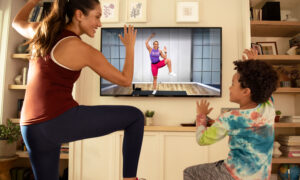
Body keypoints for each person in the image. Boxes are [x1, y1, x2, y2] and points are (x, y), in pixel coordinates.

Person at [12, 0, 144, 180]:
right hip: (56, 121)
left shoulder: (42, 31)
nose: (99, 23)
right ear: (79, 15)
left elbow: (16, 22)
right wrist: (130, 47)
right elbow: (125, 80)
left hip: (29, 127)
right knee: (135, 117)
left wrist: (33, 2)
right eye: (97, 17)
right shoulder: (81, 49)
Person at [184, 49, 278, 180]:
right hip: (262, 176)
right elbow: (263, 83)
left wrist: (201, 115)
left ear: (246, 91)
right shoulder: (268, 106)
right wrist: (251, 64)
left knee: (190, 173)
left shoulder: (230, 118)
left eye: (232, 84)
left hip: (233, 175)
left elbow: (202, 139)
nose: (229, 88)